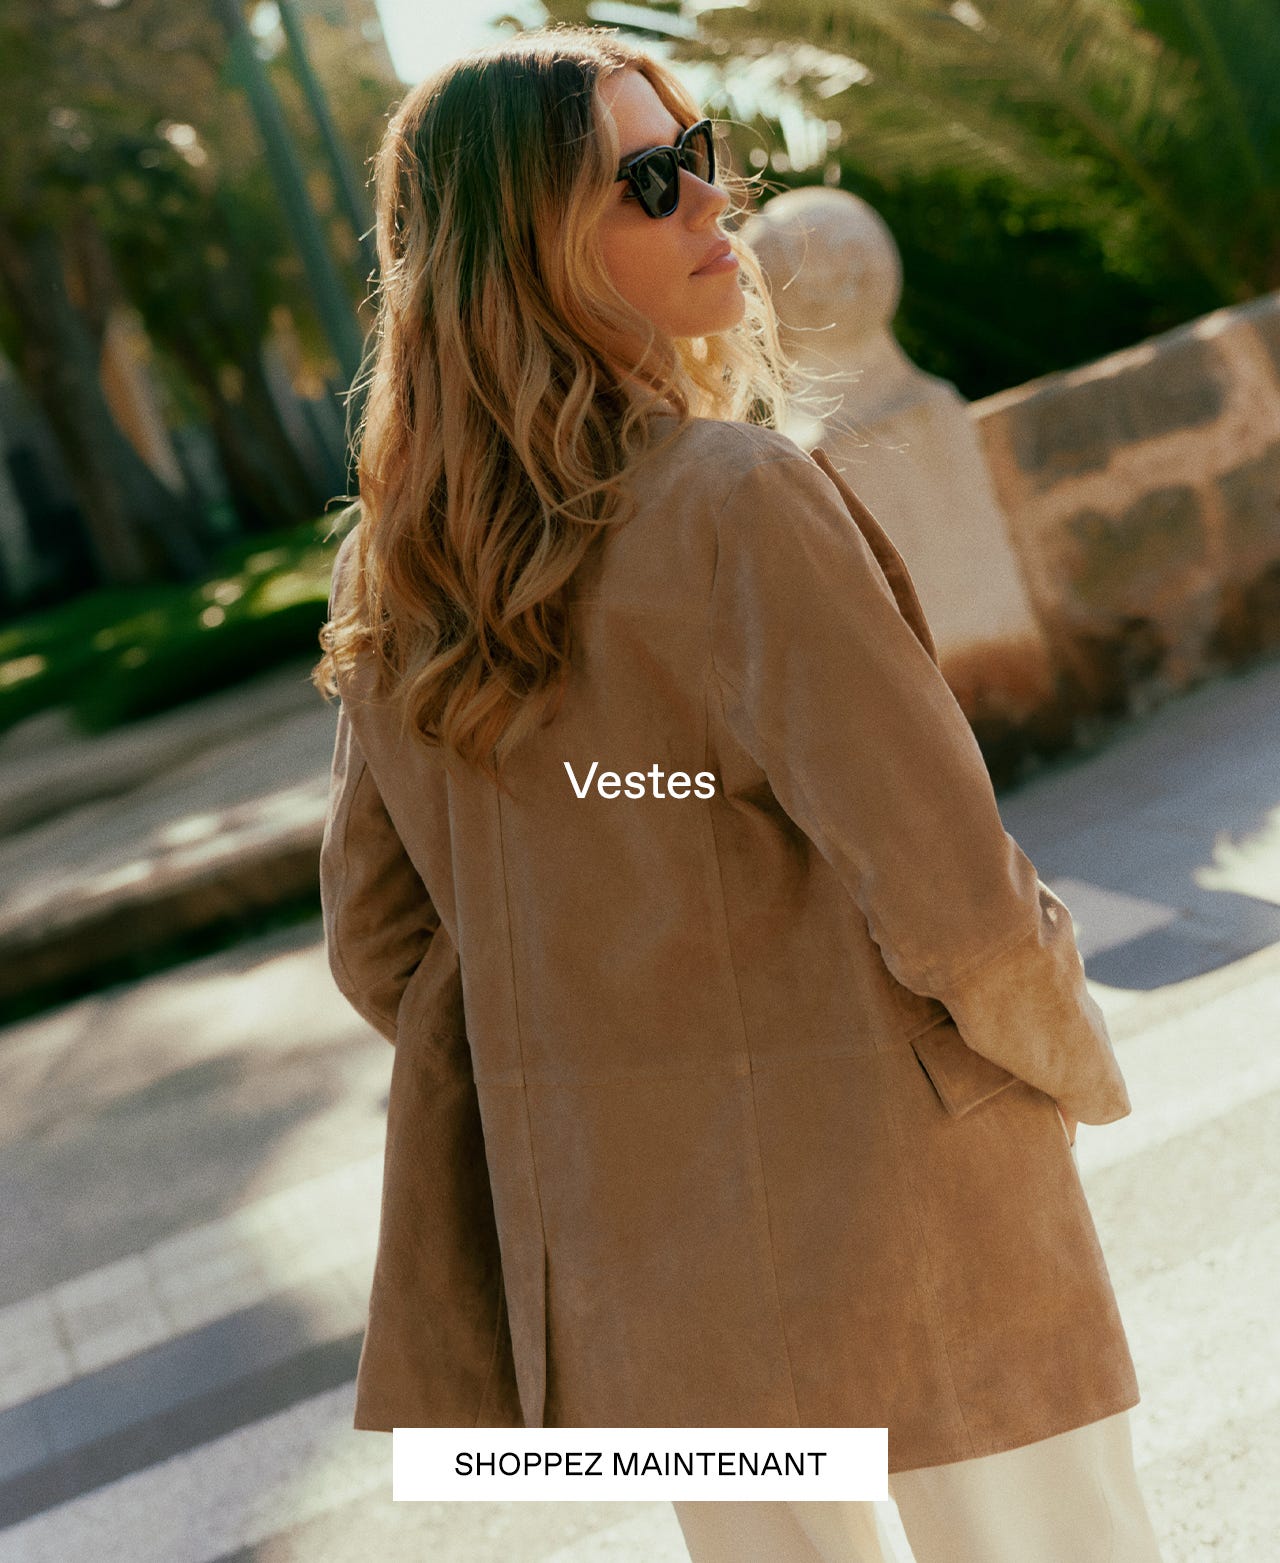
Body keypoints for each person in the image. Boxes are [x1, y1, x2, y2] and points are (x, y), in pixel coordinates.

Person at [311, 22, 1165, 1563]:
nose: (713, 201)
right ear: (528, 249)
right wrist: (1071, 1067)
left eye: (698, 154)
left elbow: (383, 951)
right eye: (648, 179)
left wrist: (619, 1084)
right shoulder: (737, 499)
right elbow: (961, 910)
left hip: (656, 1260)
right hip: (912, 1203)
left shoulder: (402, 580)